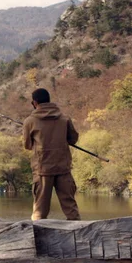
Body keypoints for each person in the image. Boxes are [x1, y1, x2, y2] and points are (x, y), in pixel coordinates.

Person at [23, 88, 81, 221]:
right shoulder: (64, 119)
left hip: (42, 170)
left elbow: (27, 145)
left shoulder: (29, 121)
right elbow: (73, 139)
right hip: (63, 168)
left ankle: (36, 237)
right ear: (49, 100)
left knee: (39, 210)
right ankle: (79, 235)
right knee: (71, 208)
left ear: (35, 102)